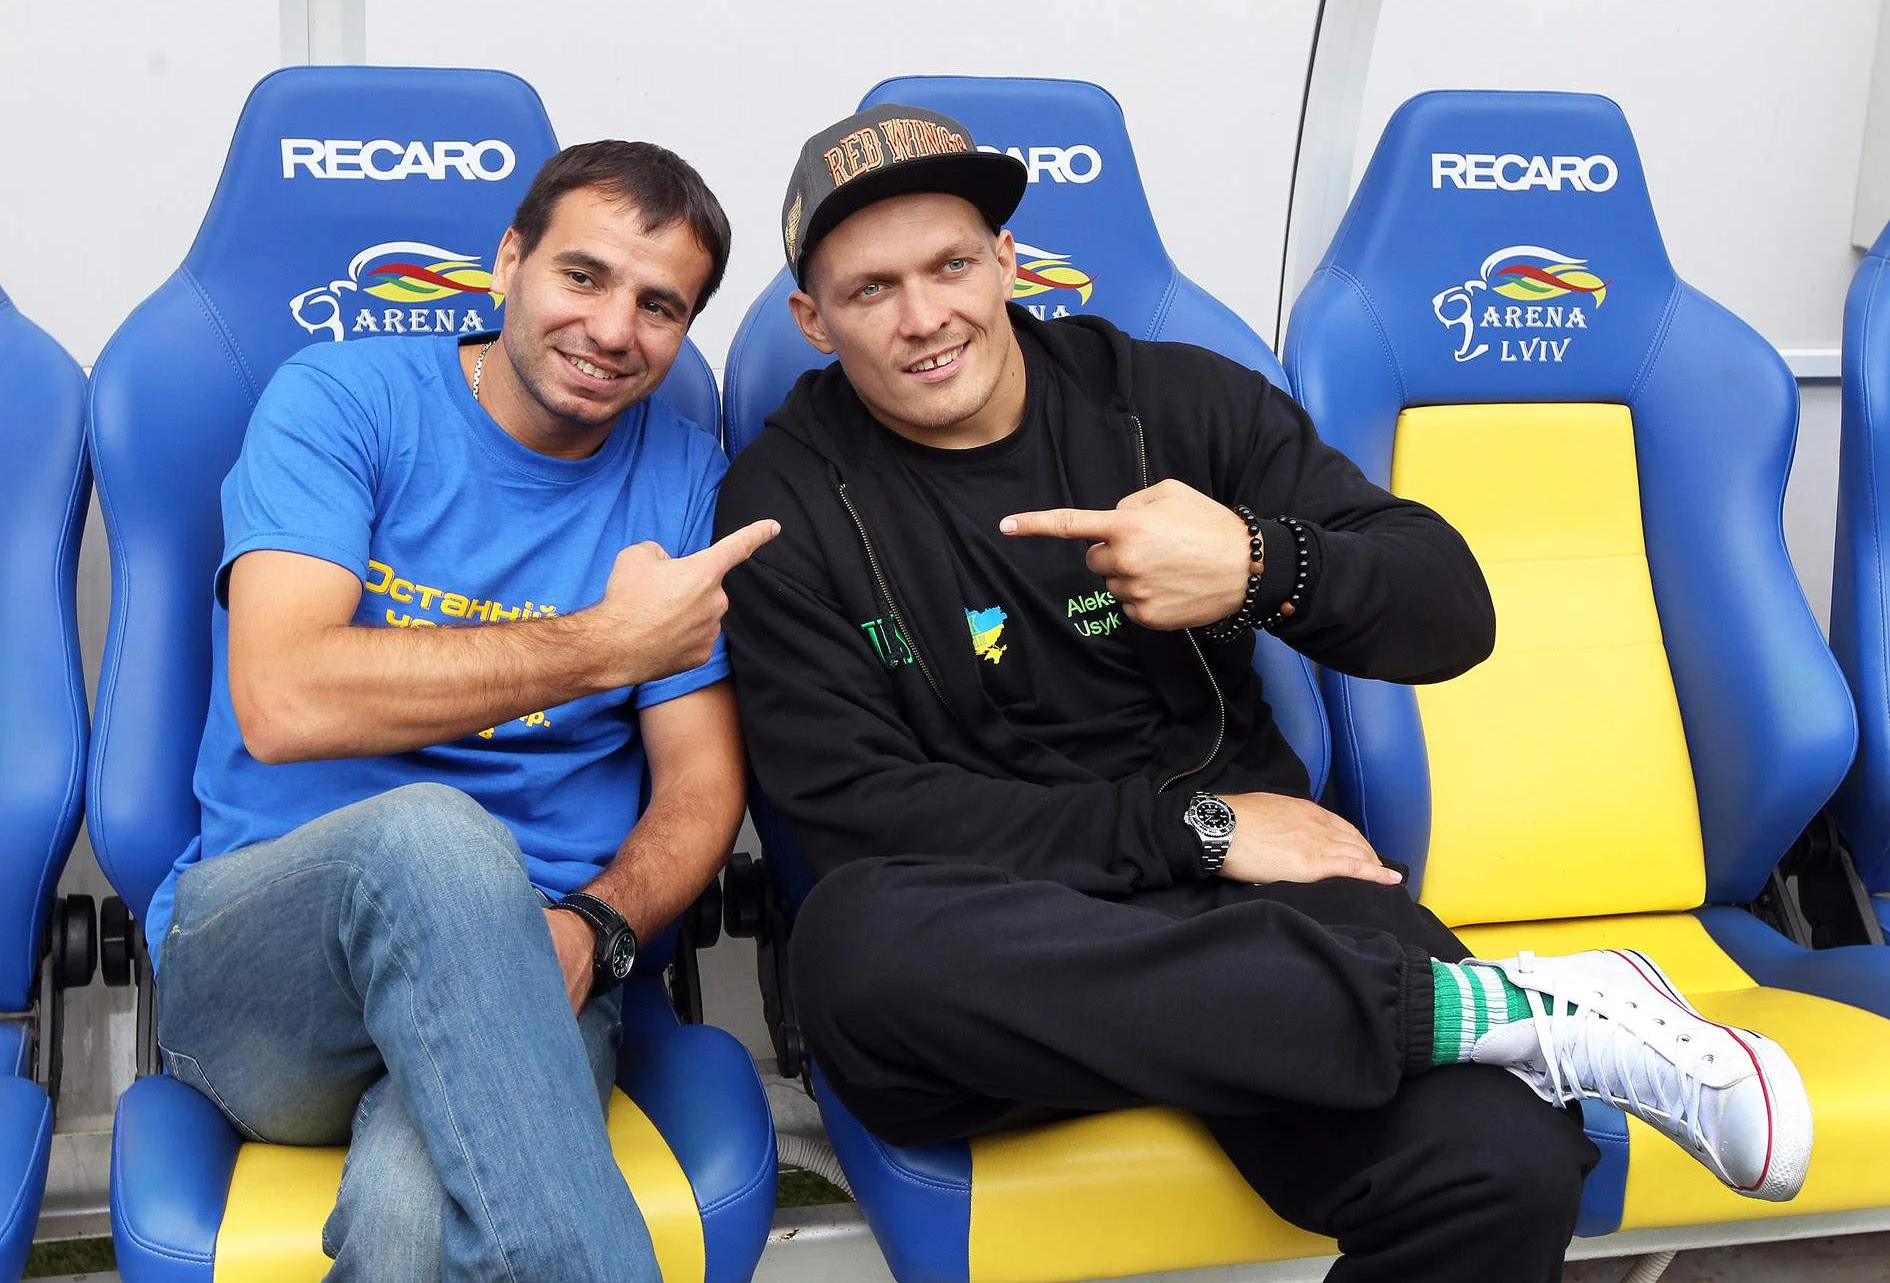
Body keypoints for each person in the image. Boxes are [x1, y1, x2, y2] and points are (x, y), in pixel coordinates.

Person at [714, 103, 1811, 1282]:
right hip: (1012, 937)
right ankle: (1476, 1011)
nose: (926, 316)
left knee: (1503, 1160)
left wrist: (1258, 563)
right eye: (872, 290)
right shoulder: (783, 501)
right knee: (855, 946)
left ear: (1008, 261)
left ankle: (1450, 1015)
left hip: (1259, 915)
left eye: (951, 265)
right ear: (813, 321)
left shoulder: (1174, 401)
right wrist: (1200, 827)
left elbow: (1451, 608)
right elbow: (862, 815)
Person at [149, 140, 778, 1281]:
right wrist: (604, 645)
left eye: (659, 305)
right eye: (583, 275)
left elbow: (700, 786)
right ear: (508, 262)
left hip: (540, 963)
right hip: (273, 971)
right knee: (433, 835)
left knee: (411, 1212)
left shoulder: (686, 478)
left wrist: (597, 925)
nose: (613, 328)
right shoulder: (341, 400)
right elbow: (283, 698)